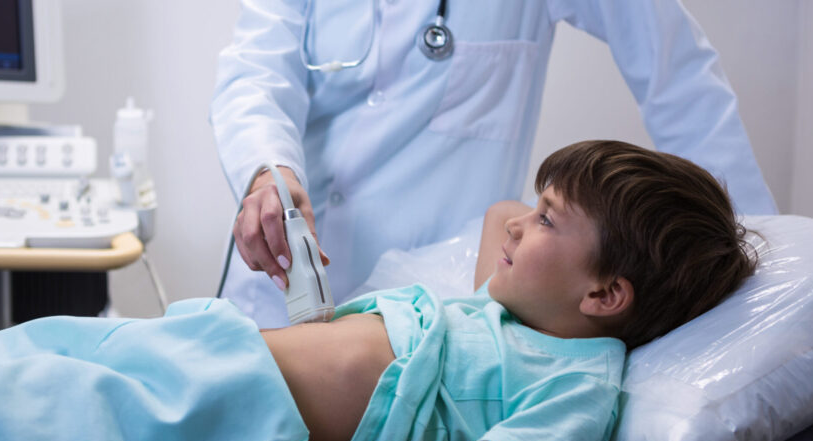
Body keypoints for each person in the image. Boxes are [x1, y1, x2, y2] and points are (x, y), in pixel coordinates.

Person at [0, 141, 755, 441]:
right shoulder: (502, 299)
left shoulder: (574, 381)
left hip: (220, 414)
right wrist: (553, 219)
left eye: (545, 221)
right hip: (183, 346)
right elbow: (506, 213)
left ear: (604, 297)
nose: (512, 226)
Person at [211, 0, 777, 328]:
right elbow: (255, 73)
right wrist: (268, 168)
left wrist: (755, 268)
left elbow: (677, 73)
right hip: (277, 274)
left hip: (426, 312)